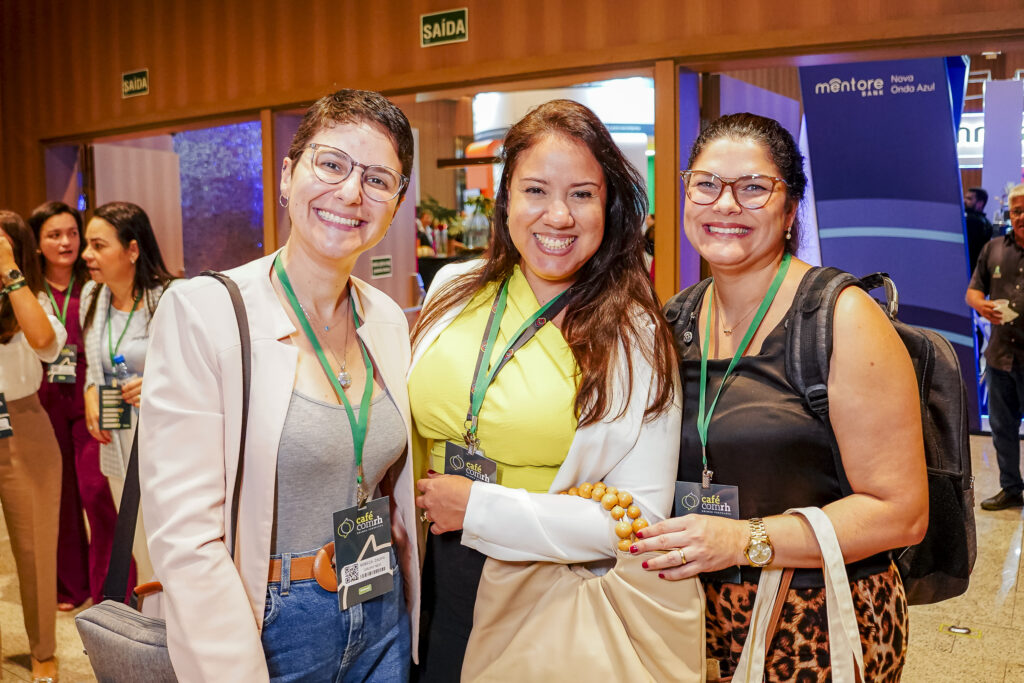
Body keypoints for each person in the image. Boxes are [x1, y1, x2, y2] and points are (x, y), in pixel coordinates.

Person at [633, 113, 928, 682]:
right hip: (693, 618)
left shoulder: (840, 317)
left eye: (753, 188)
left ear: (790, 210)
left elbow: (901, 512)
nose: (725, 205)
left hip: (815, 622)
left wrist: (741, 539)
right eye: (707, 184)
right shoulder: (674, 318)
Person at [139, 89, 421, 681]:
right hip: (268, 620)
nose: (350, 192)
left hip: (378, 604)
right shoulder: (204, 314)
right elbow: (186, 537)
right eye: (332, 164)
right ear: (288, 176)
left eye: (377, 179)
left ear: (395, 205)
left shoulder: (388, 320)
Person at [409, 99, 679, 681]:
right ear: (505, 198)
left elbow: (641, 520)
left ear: (609, 206)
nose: (558, 215)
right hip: (428, 582)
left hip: (546, 593)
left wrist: (479, 509)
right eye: (536, 190)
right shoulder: (452, 288)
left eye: (582, 193)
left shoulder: (633, 331)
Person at [29, 201, 120, 613]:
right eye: (54, 235)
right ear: (36, 243)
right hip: (43, 398)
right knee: (58, 495)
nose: (66, 242)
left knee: (97, 490)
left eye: (72, 233)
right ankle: (70, 585)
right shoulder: (29, 290)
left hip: (91, 395)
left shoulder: (95, 282)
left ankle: (109, 589)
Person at [81, 201, 176, 585]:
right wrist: (90, 391)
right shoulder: (94, 296)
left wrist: (156, 385)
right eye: (88, 244)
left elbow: (195, 374)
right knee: (136, 545)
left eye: (99, 245)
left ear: (132, 250)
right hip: (116, 439)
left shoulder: (170, 297)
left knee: (167, 545)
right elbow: (93, 363)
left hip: (163, 443)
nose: (87, 254)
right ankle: (153, 633)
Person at [0, 210, 67, 683]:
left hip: (24, 426)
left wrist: (8, 271)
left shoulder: (35, 300)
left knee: (36, 550)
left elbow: (45, 342)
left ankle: (44, 651)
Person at [967, 183, 1024, 511]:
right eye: (1016, 211)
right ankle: (1011, 488)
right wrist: (982, 306)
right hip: (1001, 356)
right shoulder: (993, 249)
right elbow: (973, 291)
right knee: (1003, 428)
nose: (1020, 216)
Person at [965, 186, 993, 273]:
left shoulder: (973, 221)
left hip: (969, 269)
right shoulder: (987, 223)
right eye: (965, 198)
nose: (964, 201)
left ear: (980, 203)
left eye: (969, 199)